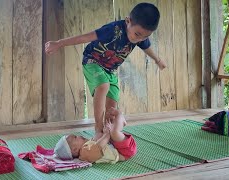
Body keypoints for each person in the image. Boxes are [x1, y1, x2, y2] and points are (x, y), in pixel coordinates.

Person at [45, 3, 166, 140]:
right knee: (103, 86)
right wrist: (59, 43)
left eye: (144, 37)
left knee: (112, 104)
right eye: (137, 34)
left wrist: (157, 60)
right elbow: (85, 37)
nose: (139, 39)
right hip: (92, 61)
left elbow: (146, 47)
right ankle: (97, 127)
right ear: (128, 21)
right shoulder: (113, 30)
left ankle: (107, 134)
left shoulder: (140, 36)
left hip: (109, 69)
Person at [54, 107, 136, 164]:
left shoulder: (87, 146)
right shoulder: (85, 152)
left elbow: (101, 141)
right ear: (75, 149)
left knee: (111, 131)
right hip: (125, 151)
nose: (78, 136)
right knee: (114, 132)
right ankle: (120, 116)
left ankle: (119, 122)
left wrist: (104, 133)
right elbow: (100, 145)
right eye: (75, 137)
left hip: (118, 147)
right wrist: (107, 134)